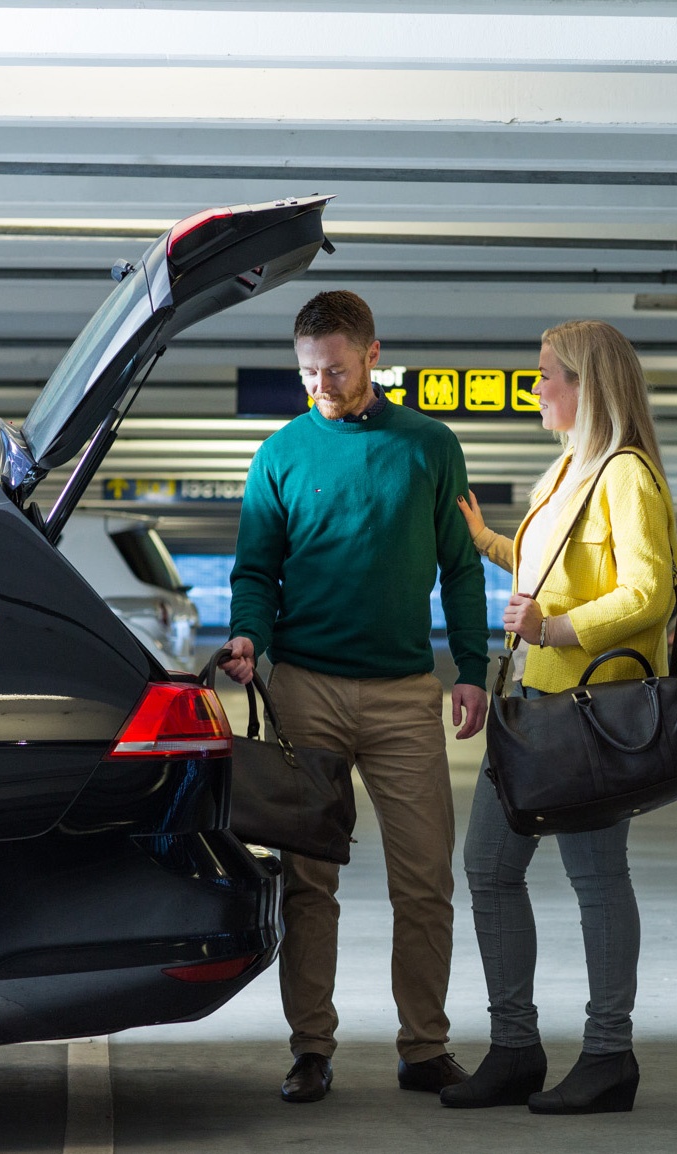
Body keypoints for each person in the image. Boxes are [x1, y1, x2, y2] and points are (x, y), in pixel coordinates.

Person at [219, 290, 489, 1103]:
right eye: (306, 371)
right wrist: (246, 636)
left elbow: (461, 566)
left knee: (425, 880)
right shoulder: (280, 454)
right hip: (305, 690)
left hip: (406, 695)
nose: (320, 385)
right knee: (308, 882)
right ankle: (309, 1048)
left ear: (374, 355)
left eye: (333, 368)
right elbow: (255, 569)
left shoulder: (429, 446)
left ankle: (424, 1046)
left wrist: (471, 668)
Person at [443, 319, 676, 1115]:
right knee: (488, 867)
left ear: (589, 384)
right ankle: (514, 1047)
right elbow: (552, 569)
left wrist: (556, 629)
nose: (535, 387)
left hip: (589, 713)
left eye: (547, 374)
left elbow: (648, 590)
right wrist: (484, 541)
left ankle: (609, 1055)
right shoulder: (564, 472)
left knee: (594, 876)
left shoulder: (624, 474)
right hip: (532, 707)